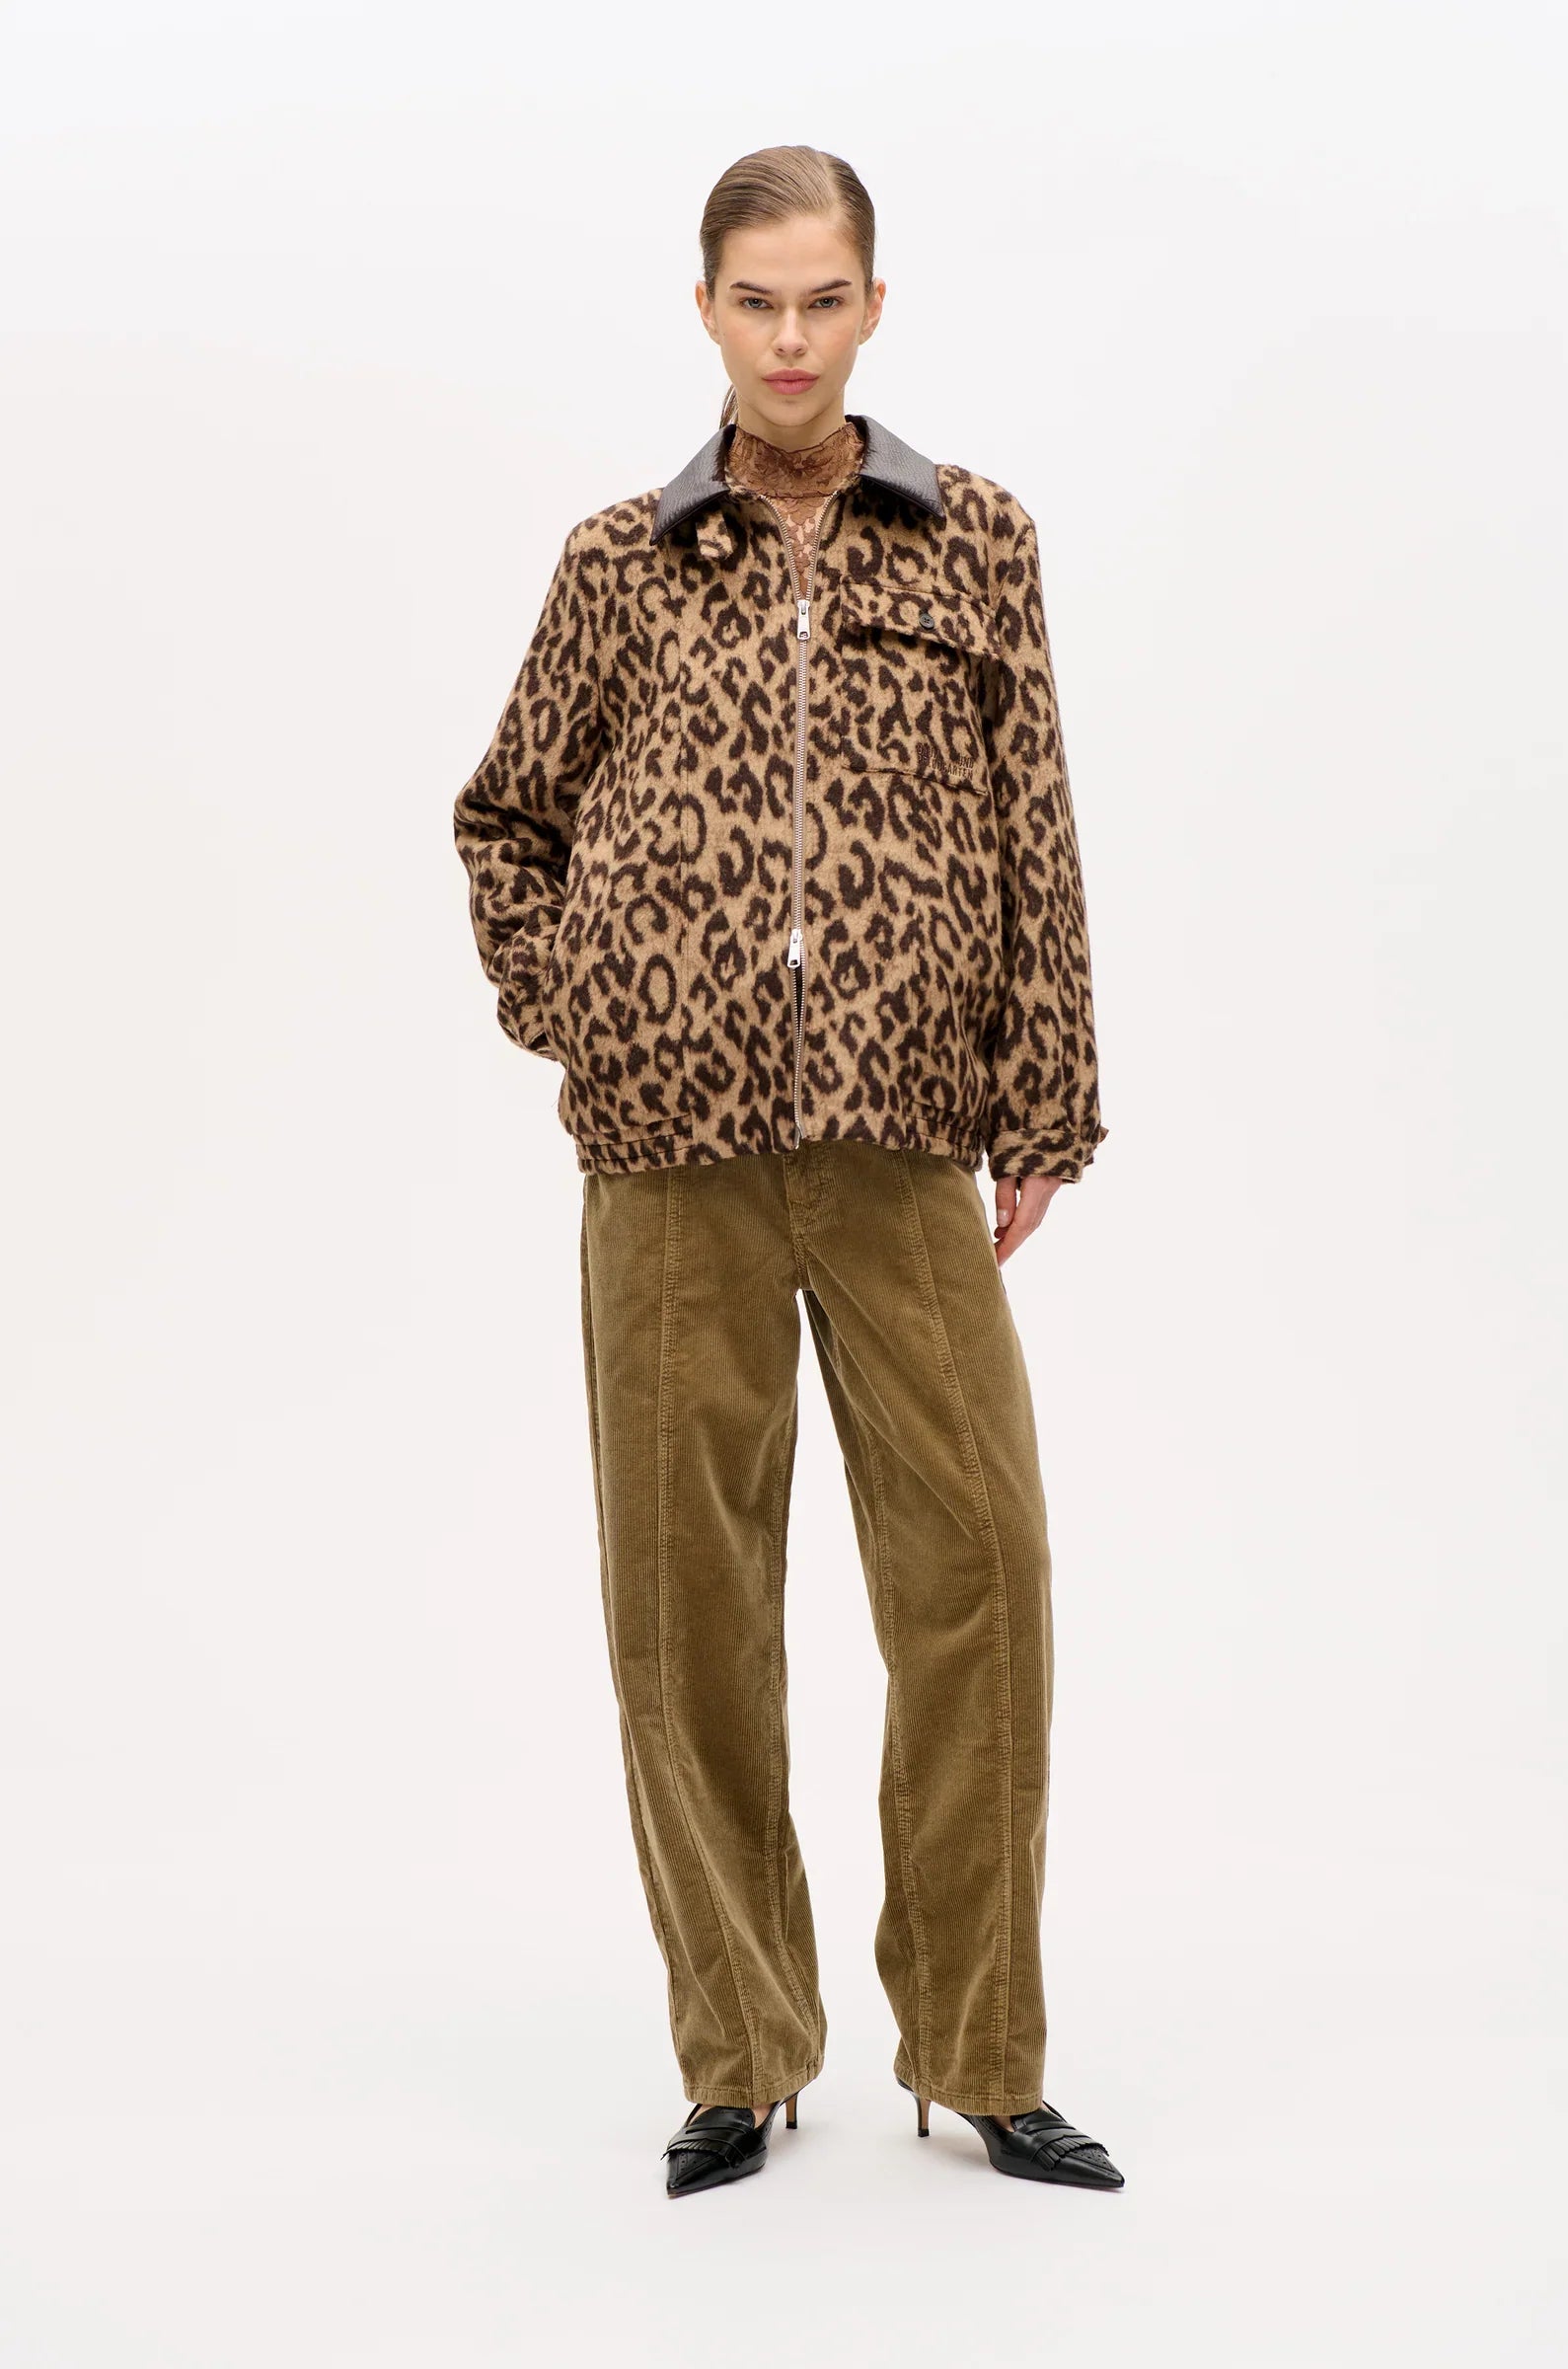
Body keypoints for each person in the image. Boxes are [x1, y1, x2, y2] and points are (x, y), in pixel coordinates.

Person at [453, 144, 1123, 2202]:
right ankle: (742, 2054)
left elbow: (1033, 821)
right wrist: (589, 1009)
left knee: (982, 1573)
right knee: (687, 1606)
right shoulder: (619, 562)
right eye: (755, 301)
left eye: (824, 298)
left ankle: (978, 2049)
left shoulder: (976, 539)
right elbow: (505, 819)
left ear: (873, 306)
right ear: (706, 312)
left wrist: (1045, 1099)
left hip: (903, 1138)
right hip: (672, 1156)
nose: (791, 337)